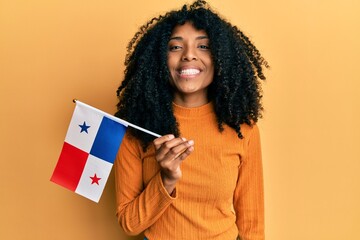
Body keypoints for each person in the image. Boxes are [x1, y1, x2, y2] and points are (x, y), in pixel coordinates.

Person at [114, 0, 268, 239]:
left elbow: (252, 225)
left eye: (203, 46)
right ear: (158, 60)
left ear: (221, 58)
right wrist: (165, 179)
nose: (189, 55)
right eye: (175, 47)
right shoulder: (136, 128)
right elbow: (130, 224)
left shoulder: (243, 128)